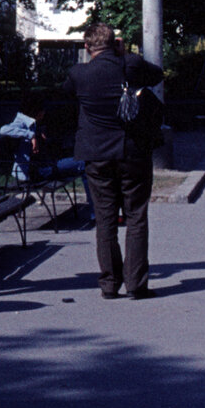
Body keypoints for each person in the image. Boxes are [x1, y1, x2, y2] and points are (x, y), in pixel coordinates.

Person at [63, 23, 163, 300]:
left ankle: (109, 283)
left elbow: (64, 95)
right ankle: (136, 284)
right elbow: (157, 75)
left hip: (96, 155)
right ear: (115, 43)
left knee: (105, 219)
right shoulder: (129, 65)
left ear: (87, 47)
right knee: (136, 217)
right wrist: (124, 55)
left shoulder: (78, 73)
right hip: (132, 152)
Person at [0, 93, 94, 221]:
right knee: (83, 164)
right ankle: (94, 212)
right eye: (42, 110)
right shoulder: (21, 122)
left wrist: (39, 133)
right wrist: (31, 135)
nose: (44, 113)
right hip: (37, 171)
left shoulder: (32, 122)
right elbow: (3, 130)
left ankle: (94, 209)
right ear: (36, 111)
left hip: (43, 166)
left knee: (82, 162)